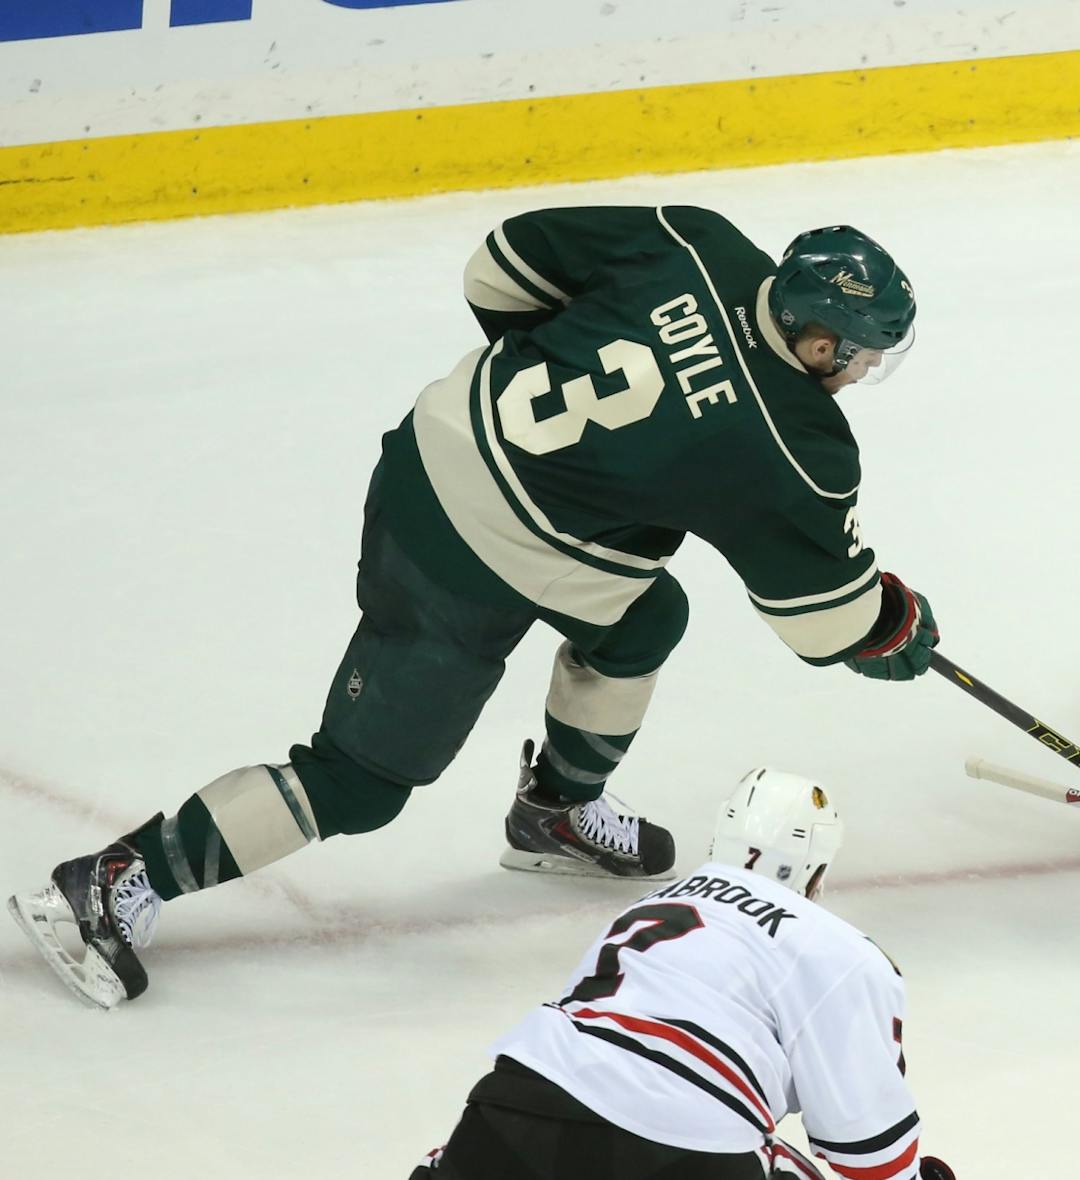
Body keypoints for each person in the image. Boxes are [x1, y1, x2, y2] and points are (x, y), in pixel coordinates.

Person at [8, 206, 943, 1009]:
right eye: (860, 356)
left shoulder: (698, 242)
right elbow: (823, 625)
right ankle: (113, 881)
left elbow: (501, 264)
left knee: (643, 616)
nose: (860, 375)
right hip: (463, 560)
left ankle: (557, 811)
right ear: (822, 342)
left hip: (433, 445)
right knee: (361, 782)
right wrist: (890, 626)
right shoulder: (797, 445)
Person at [414, 769, 954, 1180]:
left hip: (515, 1103)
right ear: (816, 871)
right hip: (680, 1147)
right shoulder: (838, 948)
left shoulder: (650, 905)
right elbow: (869, 1155)